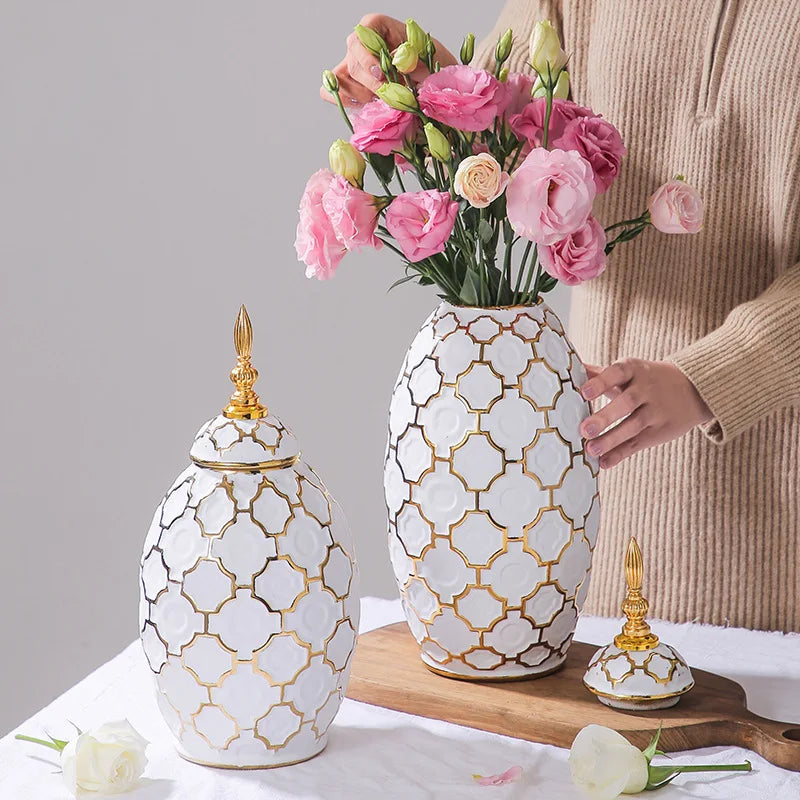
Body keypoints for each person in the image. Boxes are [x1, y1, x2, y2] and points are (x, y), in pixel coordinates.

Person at [324, 3, 800, 632]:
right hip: (600, 501)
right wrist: (420, 77)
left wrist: (709, 378)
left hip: (778, 530)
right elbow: (507, 127)